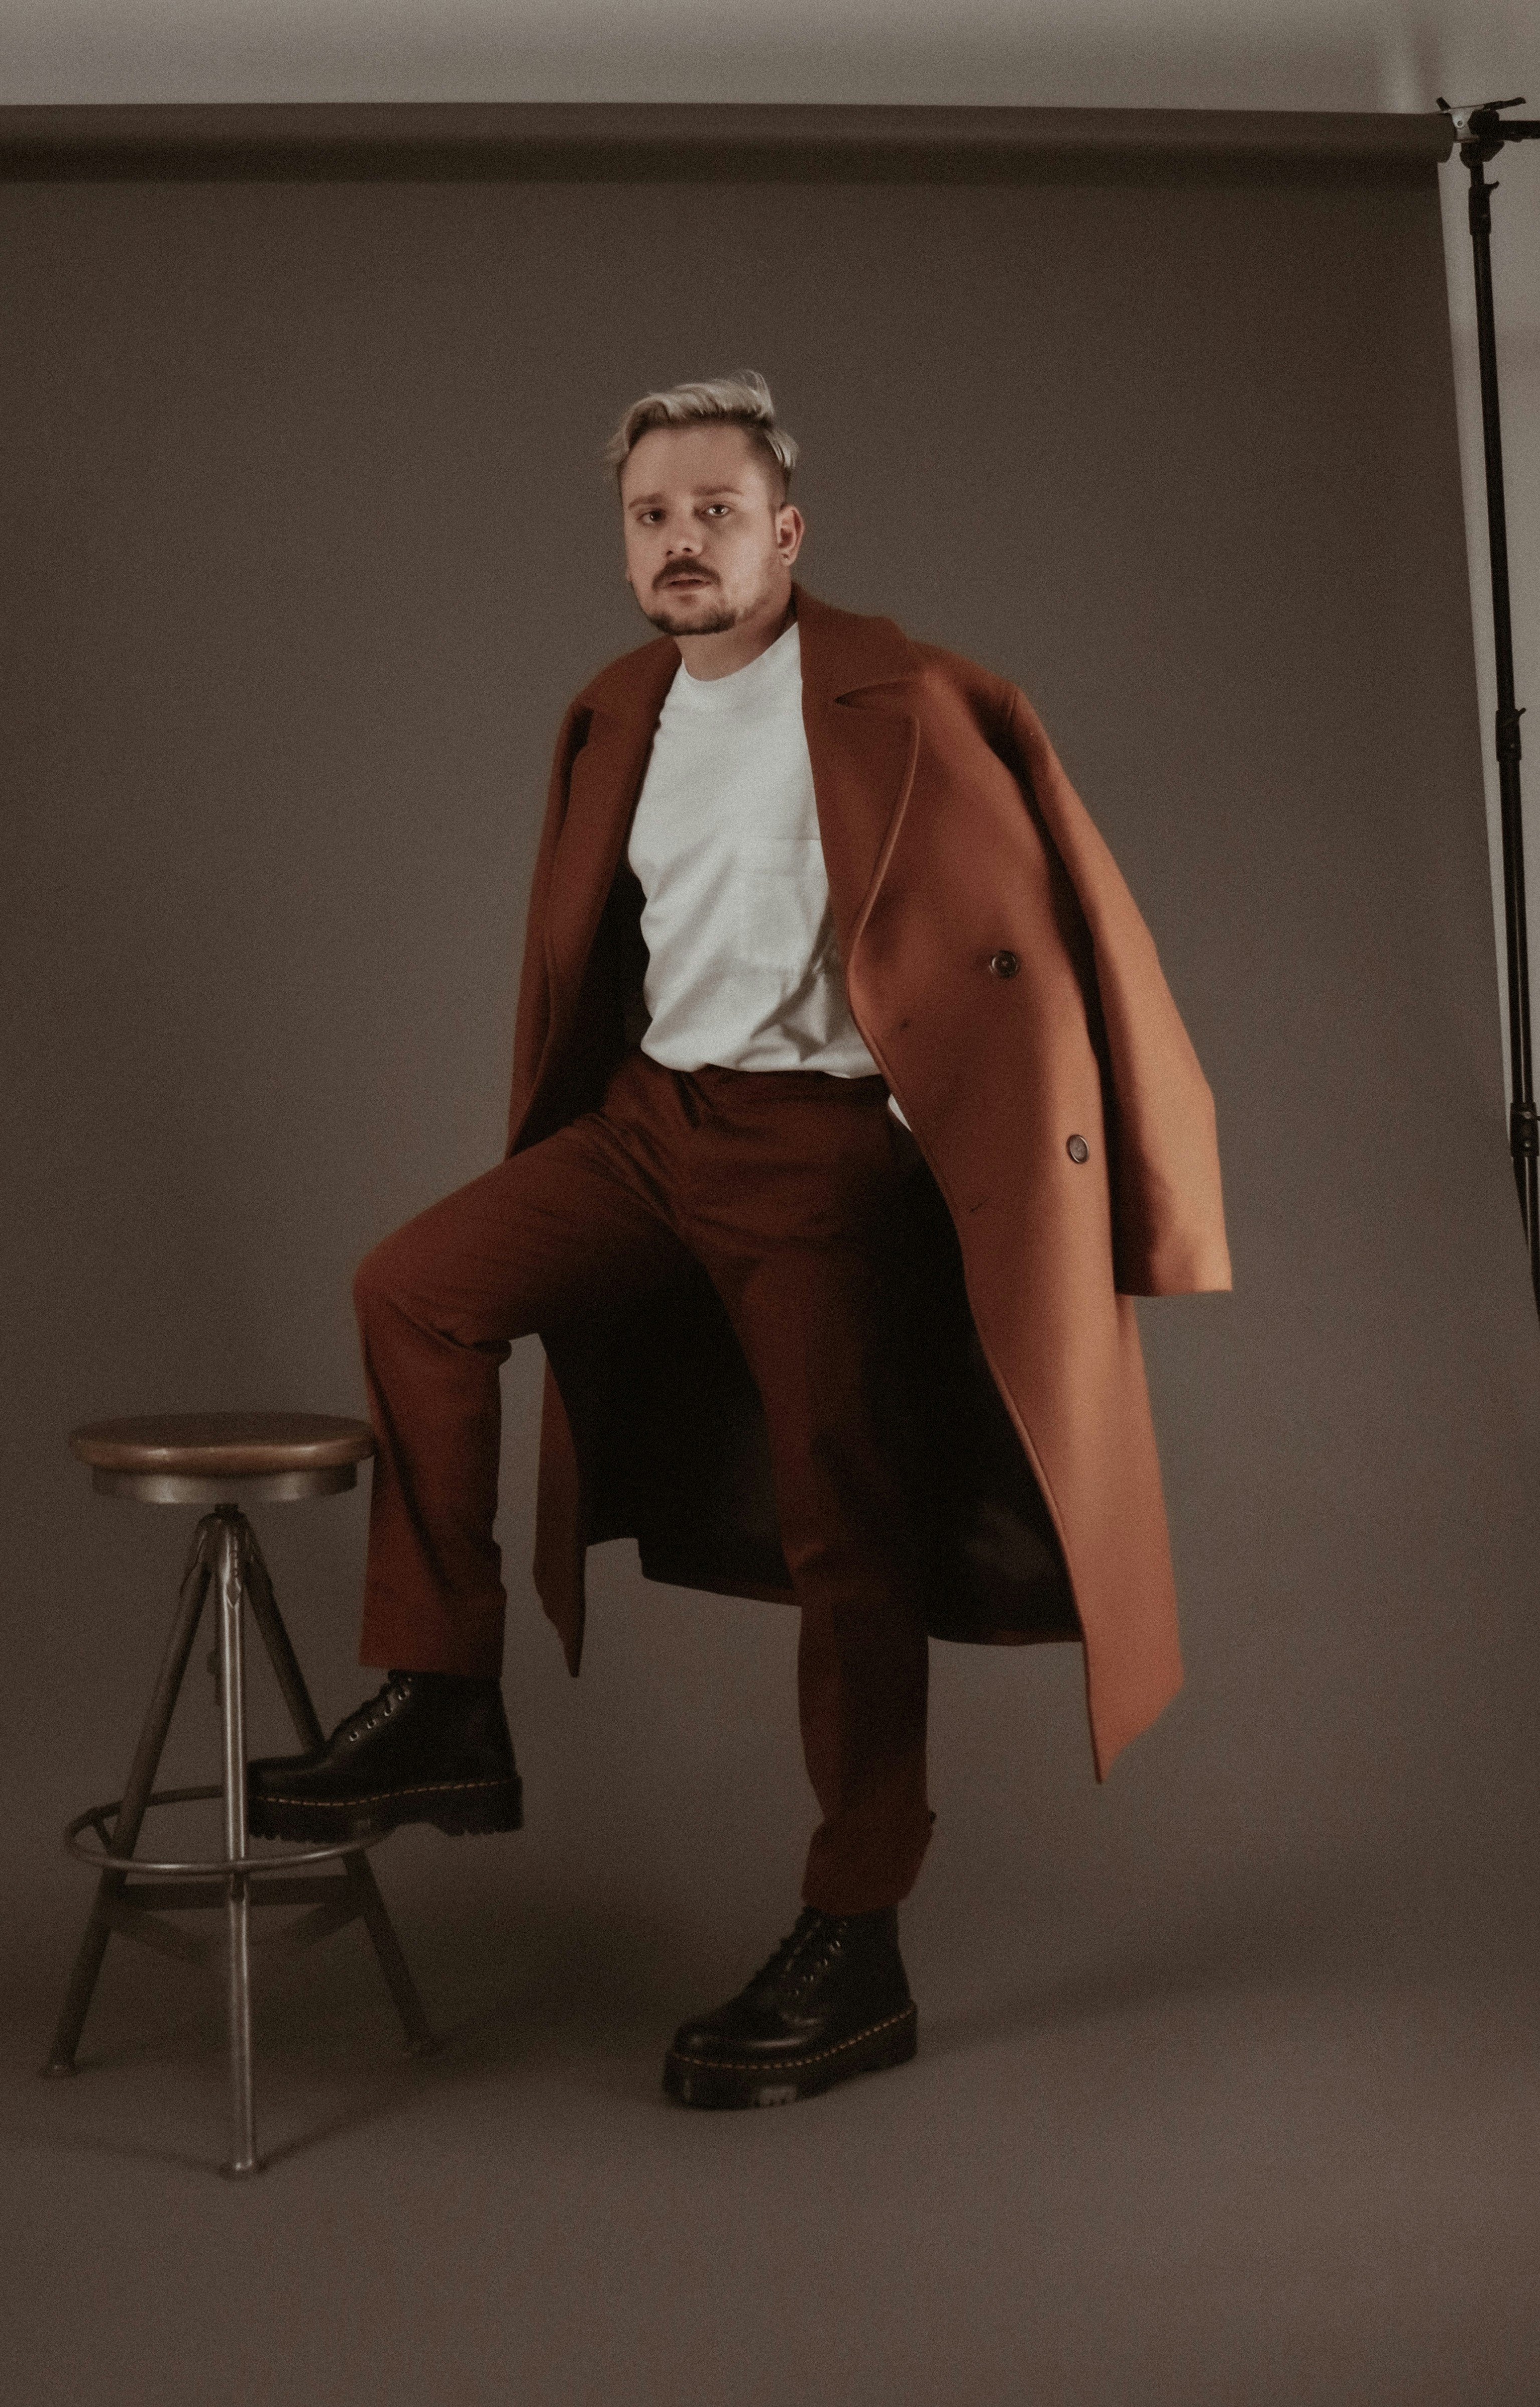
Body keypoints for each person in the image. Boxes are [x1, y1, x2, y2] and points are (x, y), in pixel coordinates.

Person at [248, 371, 1230, 2110]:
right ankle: (442, 1695)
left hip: (829, 1157)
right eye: (649, 516)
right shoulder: (613, 710)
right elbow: (590, 965)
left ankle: (855, 1936)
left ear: (786, 532)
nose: (679, 541)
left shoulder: (907, 696)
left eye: (713, 510)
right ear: (623, 546)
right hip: (650, 1126)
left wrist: (1023, 1172)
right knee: (415, 1289)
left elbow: (1055, 935)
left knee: (849, 1537)